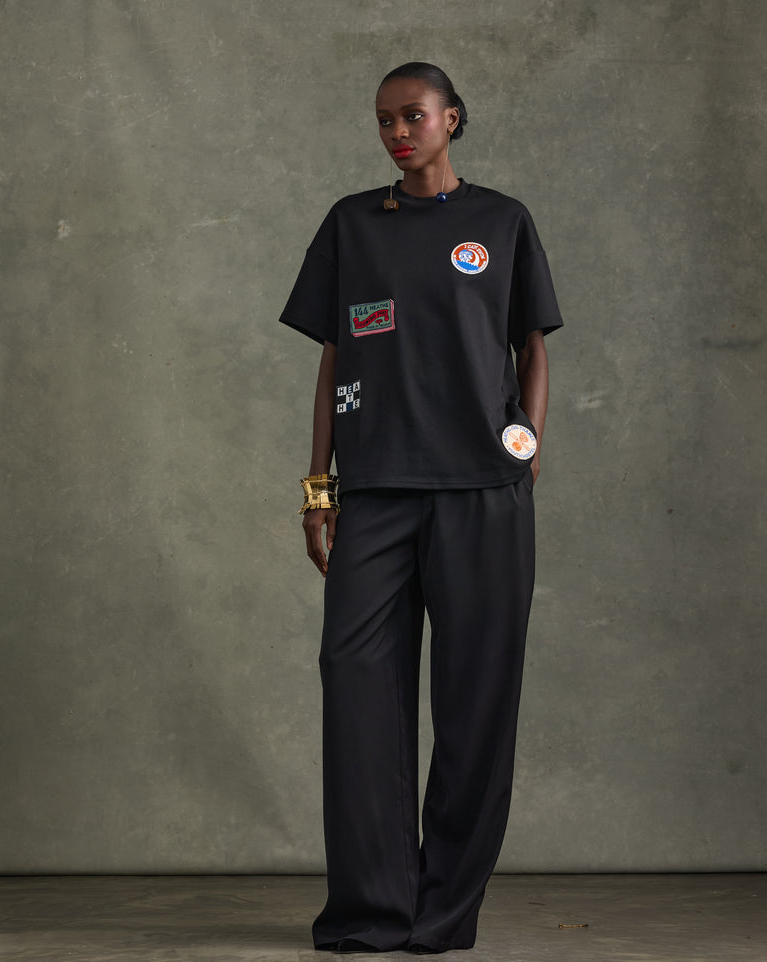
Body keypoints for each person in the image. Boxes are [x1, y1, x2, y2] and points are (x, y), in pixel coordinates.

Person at [279, 61, 563, 954]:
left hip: (482, 493)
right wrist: (319, 486)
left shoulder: (503, 222)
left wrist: (527, 451)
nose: (398, 133)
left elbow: (532, 346)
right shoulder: (352, 223)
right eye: (384, 121)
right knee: (357, 688)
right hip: (376, 492)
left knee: (477, 703)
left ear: (452, 119)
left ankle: (442, 914)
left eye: (414, 116)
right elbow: (333, 356)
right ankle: (373, 910)